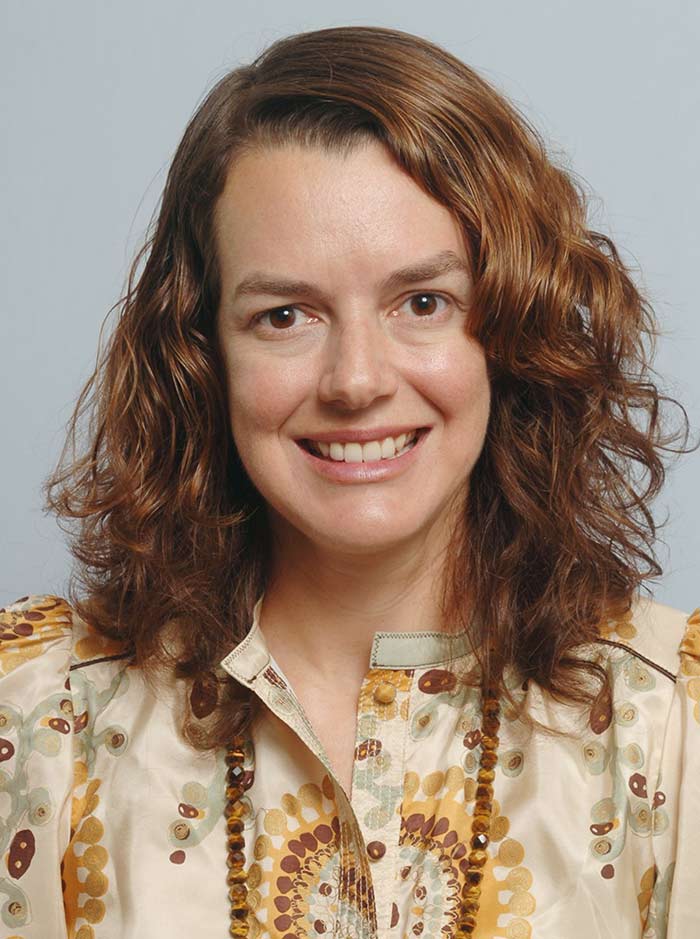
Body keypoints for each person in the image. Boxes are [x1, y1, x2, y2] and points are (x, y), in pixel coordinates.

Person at [0, 23, 697, 939]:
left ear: (510, 326)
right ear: (201, 352)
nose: (357, 380)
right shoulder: (35, 717)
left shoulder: (673, 725)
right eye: (285, 314)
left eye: (423, 303)